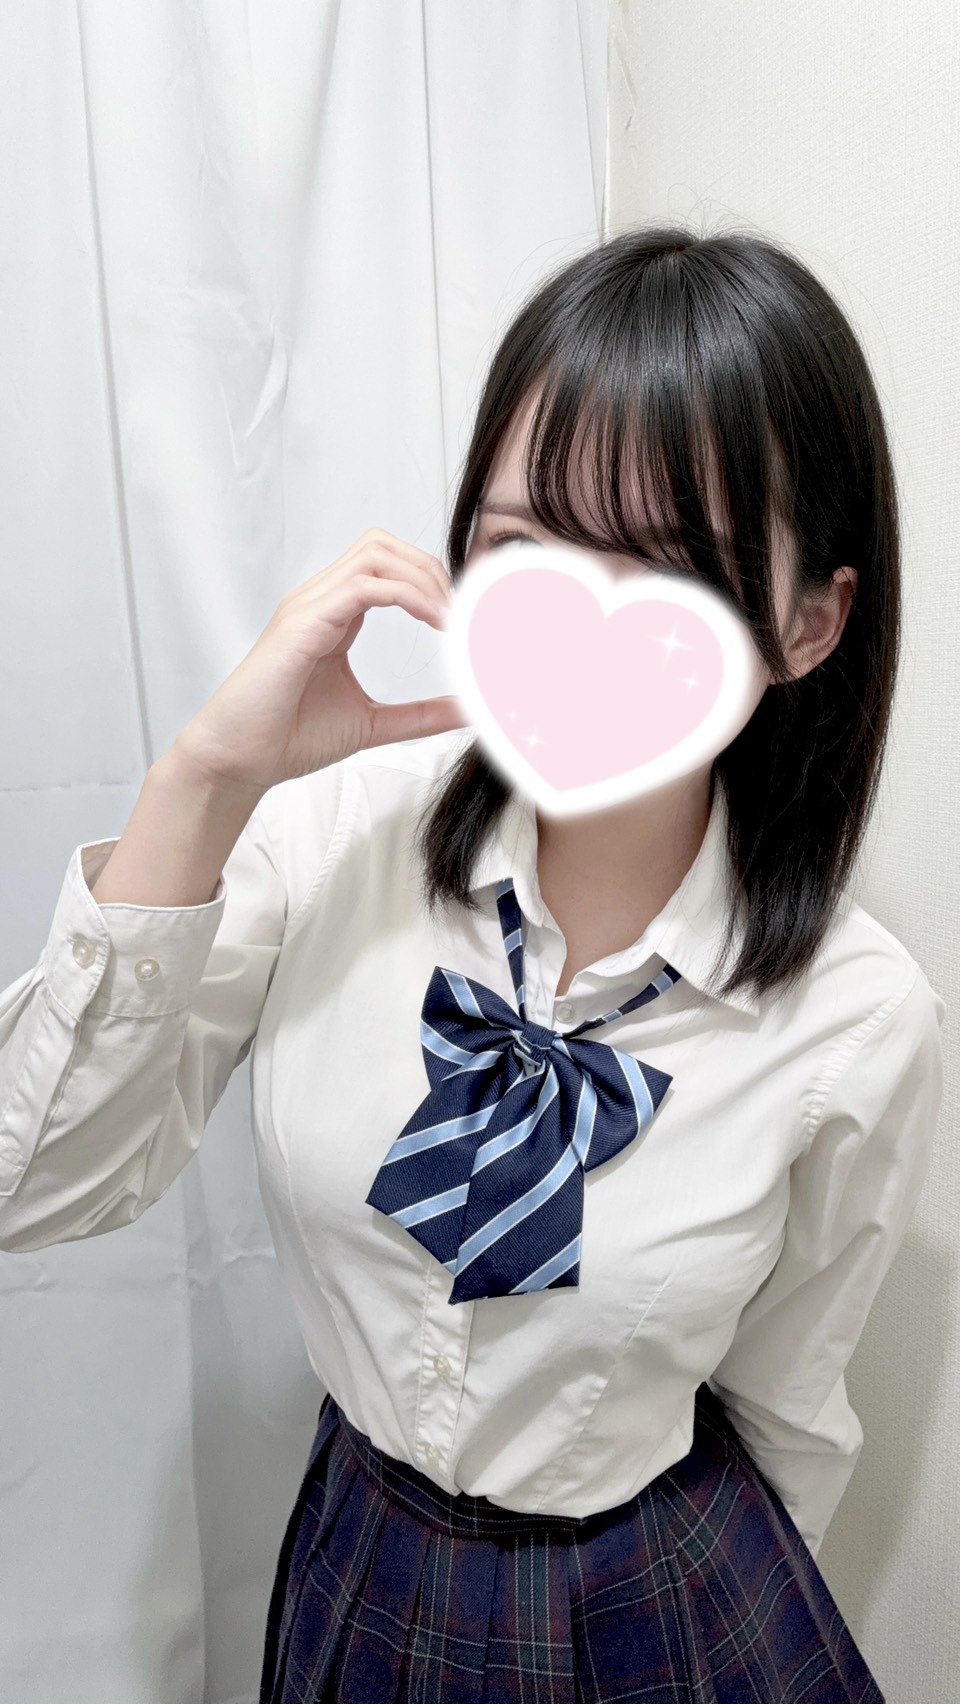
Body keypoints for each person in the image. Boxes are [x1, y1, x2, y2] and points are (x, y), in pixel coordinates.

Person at [0, 225, 945, 1702]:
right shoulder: (329, 836)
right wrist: (203, 781)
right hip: (365, 1562)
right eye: (522, 547)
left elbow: (788, 1403)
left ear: (809, 622)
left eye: (672, 567)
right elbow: (33, 1183)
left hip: (670, 1593)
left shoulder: (859, 1016)